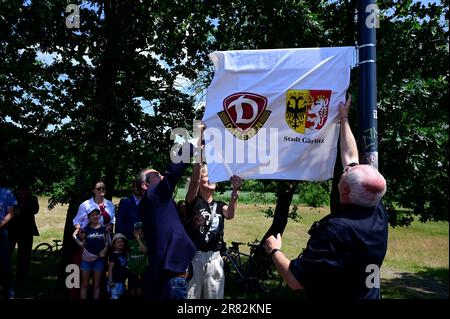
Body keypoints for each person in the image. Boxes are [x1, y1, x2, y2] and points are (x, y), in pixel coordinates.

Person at [264, 94, 388, 299]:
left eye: (347, 173)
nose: (346, 169)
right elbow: (351, 156)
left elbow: (296, 281)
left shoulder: (337, 230)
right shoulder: (376, 210)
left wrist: (274, 251)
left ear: (345, 190)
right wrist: (344, 118)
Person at [138, 143, 197, 299]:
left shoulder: (156, 203)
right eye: (157, 175)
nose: (161, 176)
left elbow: (168, 228)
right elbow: (172, 173)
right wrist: (192, 145)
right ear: (146, 185)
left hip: (163, 272)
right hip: (171, 276)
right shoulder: (153, 196)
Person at [185, 163, 242, 299]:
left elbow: (229, 214)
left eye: (214, 177)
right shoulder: (193, 201)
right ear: (200, 181)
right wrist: (199, 158)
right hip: (195, 258)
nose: (212, 179)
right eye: (207, 176)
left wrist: (235, 191)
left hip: (215, 259)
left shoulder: (219, 205)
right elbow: (194, 182)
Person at [73, 207, 109, 299]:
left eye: (97, 214)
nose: (95, 216)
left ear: (99, 216)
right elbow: (83, 245)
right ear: (88, 217)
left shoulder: (104, 229)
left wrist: (104, 251)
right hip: (86, 260)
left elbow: (107, 242)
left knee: (96, 284)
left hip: (99, 260)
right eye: (92, 215)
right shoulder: (85, 229)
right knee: (84, 284)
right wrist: (75, 236)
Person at [8, 184, 39, 286]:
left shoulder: (32, 199)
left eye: (25, 191)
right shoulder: (11, 198)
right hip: (12, 230)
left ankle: (21, 280)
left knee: (24, 257)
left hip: (26, 231)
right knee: (5, 254)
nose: (23, 192)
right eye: (21, 191)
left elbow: (35, 210)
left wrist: (23, 206)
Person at [0, 186, 16, 299]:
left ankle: (8, 293)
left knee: (4, 263)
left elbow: (11, 213)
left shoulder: (6, 193)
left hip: (1, 233)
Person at [127, 222, 147, 298]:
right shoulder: (130, 242)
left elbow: (145, 250)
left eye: (141, 230)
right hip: (132, 270)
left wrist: (139, 239)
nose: (140, 231)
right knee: (132, 291)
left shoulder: (145, 241)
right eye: (138, 230)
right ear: (134, 231)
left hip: (142, 270)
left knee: (140, 291)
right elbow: (127, 254)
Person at [107, 233, 128, 299]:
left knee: (120, 295)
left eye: (122, 242)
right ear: (114, 245)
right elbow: (110, 268)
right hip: (114, 281)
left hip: (121, 280)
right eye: (118, 242)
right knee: (114, 297)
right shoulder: (113, 255)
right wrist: (110, 281)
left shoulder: (124, 253)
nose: (120, 244)